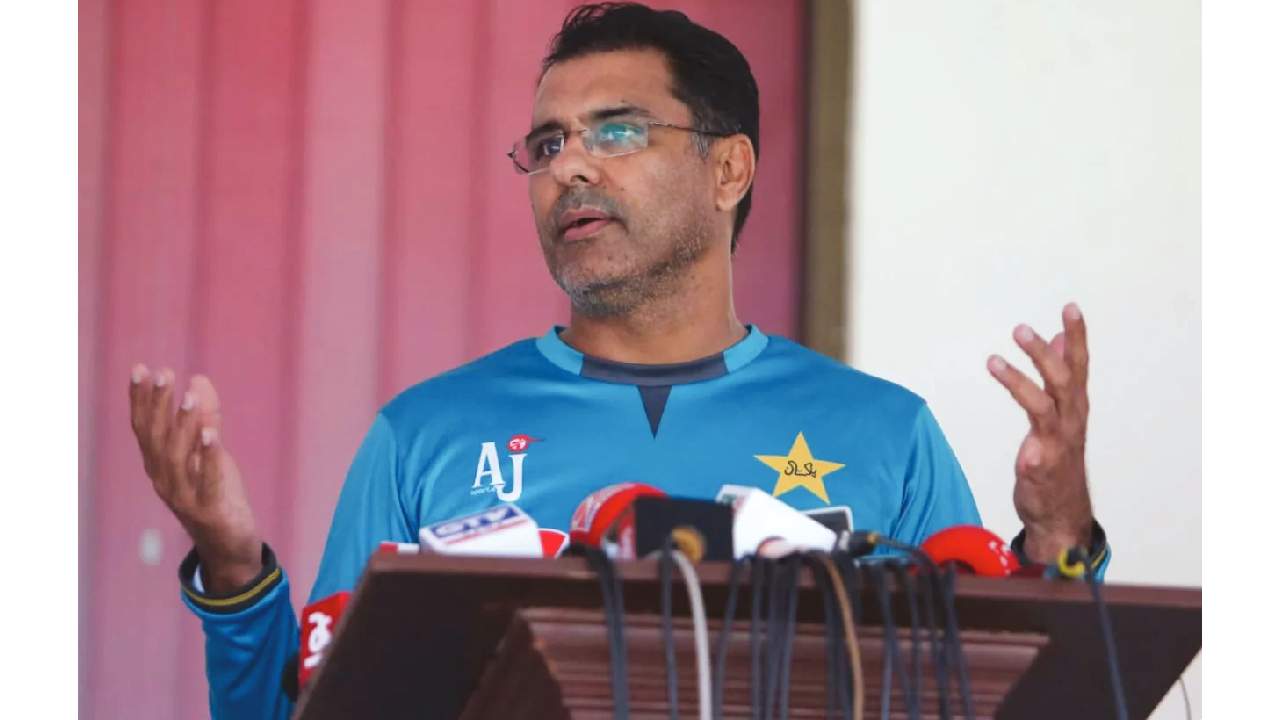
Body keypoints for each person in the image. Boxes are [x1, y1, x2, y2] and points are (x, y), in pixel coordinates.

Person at [126, 3, 1107, 718]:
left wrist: (1060, 534)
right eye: (546, 142)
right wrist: (233, 566)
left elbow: (1015, 697)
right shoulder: (422, 436)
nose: (569, 165)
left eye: (618, 130)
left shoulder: (887, 433)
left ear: (728, 168)